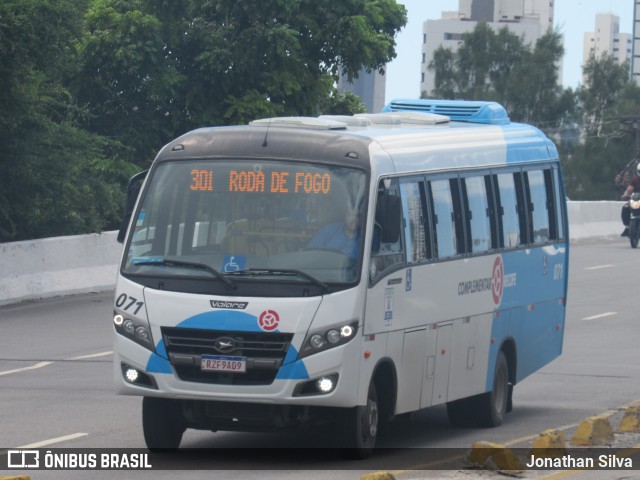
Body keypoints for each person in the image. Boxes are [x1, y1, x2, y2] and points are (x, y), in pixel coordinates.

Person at [620, 164, 640, 237]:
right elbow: (629, 189)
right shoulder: (635, 179)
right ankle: (628, 227)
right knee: (625, 207)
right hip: (637, 199)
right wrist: (625, 195)